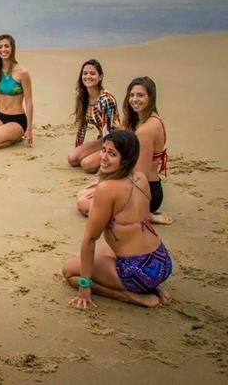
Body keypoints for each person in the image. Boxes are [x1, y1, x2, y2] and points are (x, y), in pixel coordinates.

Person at [63, 130, 173, 309]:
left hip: (139, 272)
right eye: (104, 150)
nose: (104, 157)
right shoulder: (141, 177)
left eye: (112, 154)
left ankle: (130, 296)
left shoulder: (107, 189)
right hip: (161, 261)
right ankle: (152, 288)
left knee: (70, 270)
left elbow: (90, 239)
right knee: (104, 252)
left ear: (126, 159)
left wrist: (84, 287)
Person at [122, 76, 173, 225]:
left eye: (140, 95)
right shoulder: (153, 119)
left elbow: (140, 176)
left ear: (151, 97)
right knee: (90, 193)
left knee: (84, 203)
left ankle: (149, 216)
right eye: (131, 95)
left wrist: (141, 209)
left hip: (146, 193)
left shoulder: (146, 130)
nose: (134, 99)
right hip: (152, 188)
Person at [67, 59, 120, 173]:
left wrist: (106, 156)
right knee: (72, 159)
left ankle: (121, 159)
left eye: (92, 73)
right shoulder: (83, 97)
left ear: (100, 77)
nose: (88, 76)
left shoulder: (106, 99)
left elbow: (108, 130)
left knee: (87, 165)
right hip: (103, 138)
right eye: (85, 73)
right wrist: (79, 149)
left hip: (116, 140)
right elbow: (82, 127)